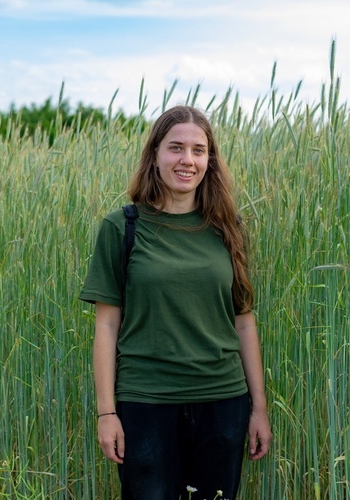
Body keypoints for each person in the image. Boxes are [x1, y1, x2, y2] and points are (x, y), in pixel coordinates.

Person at [79, 105, 271, 499]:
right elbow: (106, 326)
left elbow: (244, 322)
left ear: (209, 160)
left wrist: (259, 409)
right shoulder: (123, 227)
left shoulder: (227, 229)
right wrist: (106, 412)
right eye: (176, 148)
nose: (187, 160)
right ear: (155, 155)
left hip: (223, 402)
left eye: (199, 150)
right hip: (146, 404)